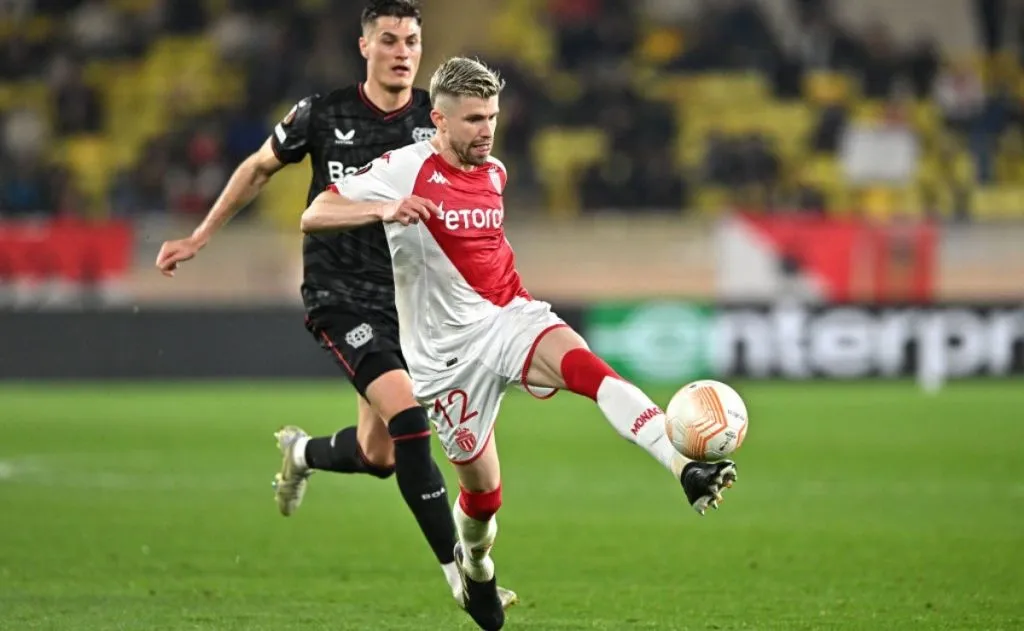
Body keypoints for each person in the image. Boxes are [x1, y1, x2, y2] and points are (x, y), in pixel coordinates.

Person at [299, 56, 741, 631]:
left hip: (511, 319)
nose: (486, 130)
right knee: (483, 500)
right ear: (439, 120)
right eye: (474, 119)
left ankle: (682, 468)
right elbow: (316, 212)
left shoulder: (495, 172)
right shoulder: (404, 168)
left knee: (593, 373)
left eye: (492, 117)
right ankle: (475, 566)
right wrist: (384, 207)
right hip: (446, 364)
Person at [153, 1, 517, 623]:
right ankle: (462, 576)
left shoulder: (437, 121)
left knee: (381, 455)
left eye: (412, 41)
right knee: (411, 422)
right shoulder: (322, 114)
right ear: (364, 46)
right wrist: (201, 235)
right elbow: (260, 168)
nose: (403, 52)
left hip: (409, 302)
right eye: (390, 40)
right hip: (340, 295)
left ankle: (302, 453)